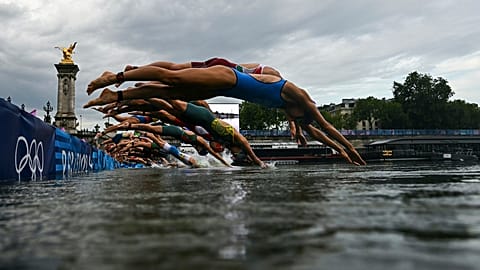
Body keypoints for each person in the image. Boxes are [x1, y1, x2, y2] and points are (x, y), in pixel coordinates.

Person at [84, 64, 366, 165]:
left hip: (229, 89)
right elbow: (328, 127)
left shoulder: (297, 114)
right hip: (231, 78)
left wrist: (340, 153)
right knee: (173, 79)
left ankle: (117, 96)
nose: (306, 127)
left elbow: (318, 134)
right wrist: (350, 148)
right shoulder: (301, 97)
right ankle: (115, 78)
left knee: (169, 93)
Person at [105, 121, 232, 167]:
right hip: (172, 138)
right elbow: (133, 145)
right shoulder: (200, 141)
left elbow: (134, 145)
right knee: (156, 141)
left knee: (156, 141)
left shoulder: (201, 141)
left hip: (171, 141)